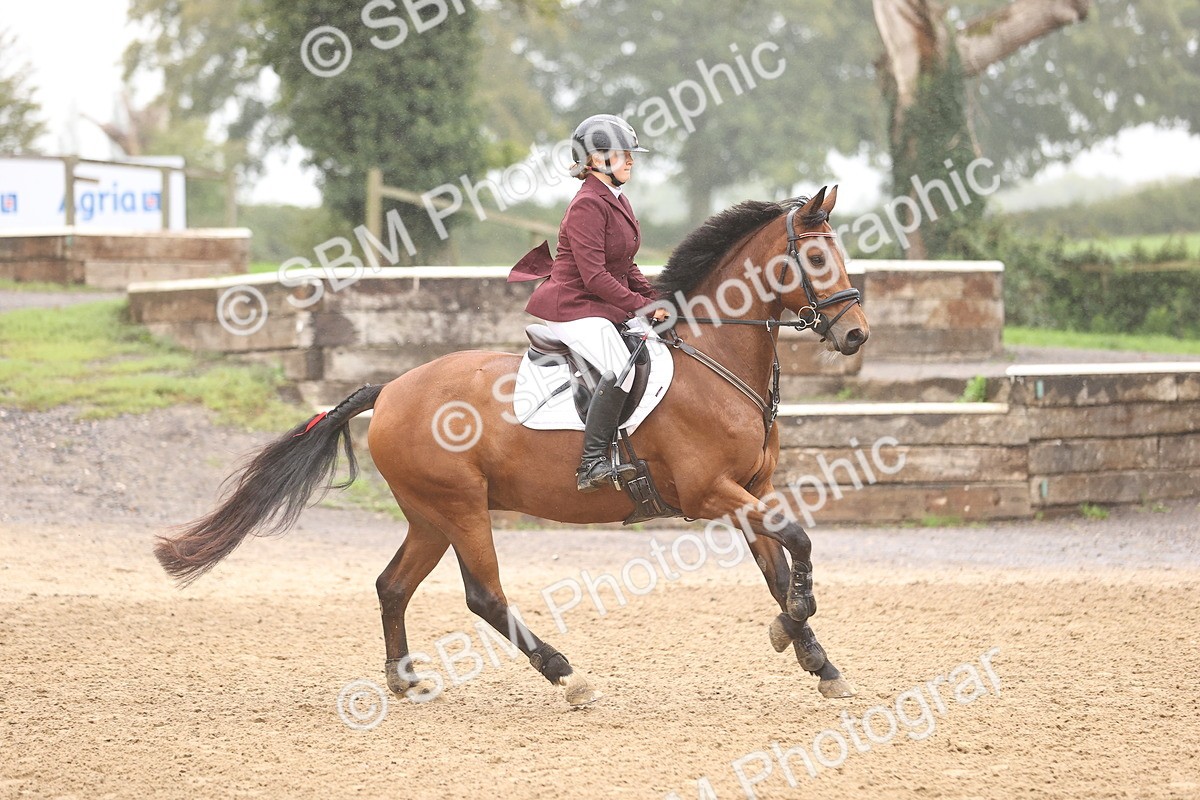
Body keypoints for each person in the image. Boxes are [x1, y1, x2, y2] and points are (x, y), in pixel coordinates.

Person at [509, 114, 669, 492]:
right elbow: (595, 276)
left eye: (631, 154)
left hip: (598, 303)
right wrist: (639, 307)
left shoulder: (617, 199)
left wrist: (656, 299)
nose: (630, 160)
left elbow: (625, 266)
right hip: (573, 306)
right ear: (595, 159)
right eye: (622, 153)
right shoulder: (587, 205)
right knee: (621, 367)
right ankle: (592, 463)